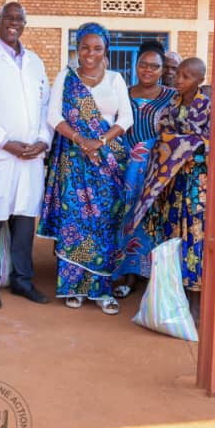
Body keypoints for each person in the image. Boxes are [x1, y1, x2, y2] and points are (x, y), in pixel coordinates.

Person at [41, 23, 133, 313]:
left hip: (108, 161)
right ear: (77, 48)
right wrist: (82, 140)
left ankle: (102, 289)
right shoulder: (65, 77)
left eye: (97, 48)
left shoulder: (116, 79)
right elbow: (53, 116)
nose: (90, 54)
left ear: (105, 50)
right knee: (75, 222)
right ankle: (73, 288)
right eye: (85, 47)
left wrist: (100, 141)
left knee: (104, 224)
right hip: (73, 160)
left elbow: (126, 117)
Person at [0, 3, 53, 309]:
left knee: (24, 222)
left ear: (24, 25)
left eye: (19, 19)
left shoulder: (35, 63)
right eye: (9, 18)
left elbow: (45, 107)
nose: (13, 23)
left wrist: (43, 141)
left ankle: (22, 280)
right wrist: (6, 143)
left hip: (32, 157)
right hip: (0, 157)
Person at [124, 58, 210, 307]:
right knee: (170, 235)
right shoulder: (172, 103)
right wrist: (177, 144)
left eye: (186, 76)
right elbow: (163, 137)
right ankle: (172, 294)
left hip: (196, 185)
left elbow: (211, 143)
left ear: (199, 80)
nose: (178, 79)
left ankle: (195, 300)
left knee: (195, 237)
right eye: (178, 75)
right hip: (169, 183)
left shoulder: (207, 107)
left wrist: (184, 145)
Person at [114, 41, 176, 293]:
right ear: (135, 65)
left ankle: (151, 275)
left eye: (154, 66)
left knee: (153, 218)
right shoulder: (123, 93)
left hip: (157, 169)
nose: (148, 70)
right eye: (143, 65)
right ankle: (126, 274)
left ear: (163, 70)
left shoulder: (172, 97)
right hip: (125, 168)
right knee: (125, 216)